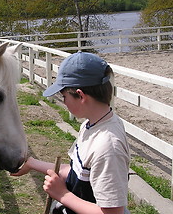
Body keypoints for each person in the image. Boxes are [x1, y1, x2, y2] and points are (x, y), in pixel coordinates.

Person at [11, 52, 130, 214]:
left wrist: (62, 195)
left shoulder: (108, 147)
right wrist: (33, 163)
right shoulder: (93, 124)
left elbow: (112, 212)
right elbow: (79, 174)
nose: (64, 102)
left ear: (80, 95)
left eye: (64, 96)